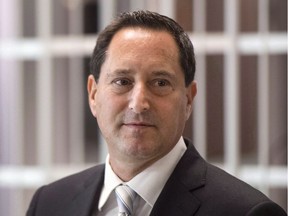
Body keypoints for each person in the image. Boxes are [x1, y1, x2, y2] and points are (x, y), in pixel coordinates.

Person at [26, 10, 287, 216]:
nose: (139, 103)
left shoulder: (245, 212)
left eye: (160, 82)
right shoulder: (49, 204)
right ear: (94, 95)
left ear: (188, 99)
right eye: (122, 81)